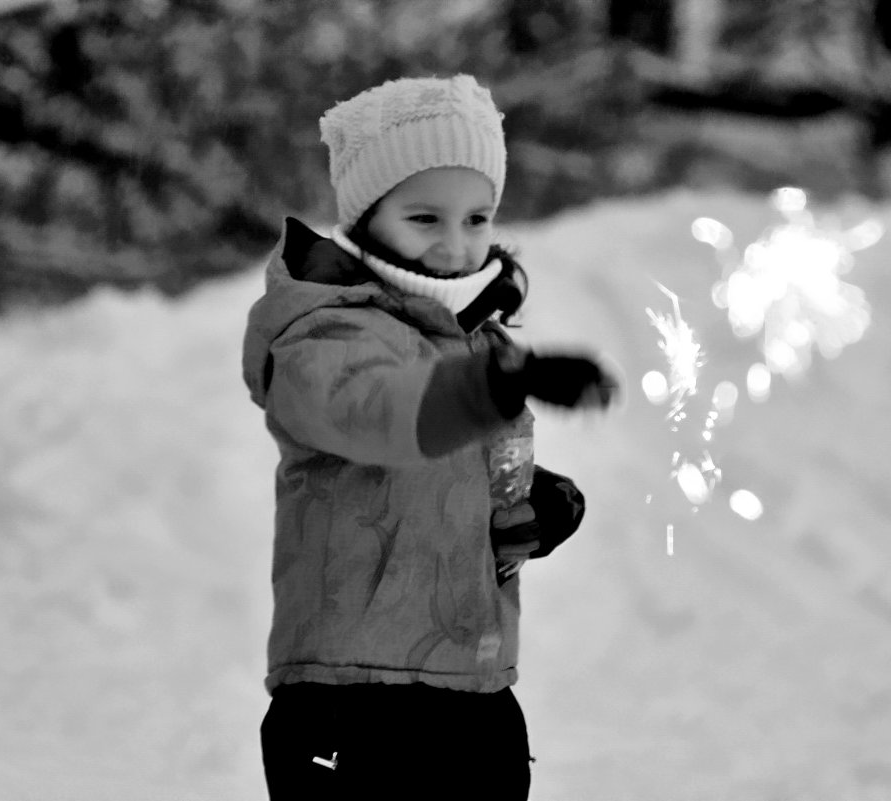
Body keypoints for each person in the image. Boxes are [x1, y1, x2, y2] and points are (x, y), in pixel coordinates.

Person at [242, 74, 619, 801]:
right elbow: (381, 414)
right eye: (425, 218)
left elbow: (457, 471)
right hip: (349, 701)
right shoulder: (325, 331)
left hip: (471, 688)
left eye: (477, 218)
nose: (456, 244)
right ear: (366, 216)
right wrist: (498, 389)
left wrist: (530, 509)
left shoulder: (475, 342)